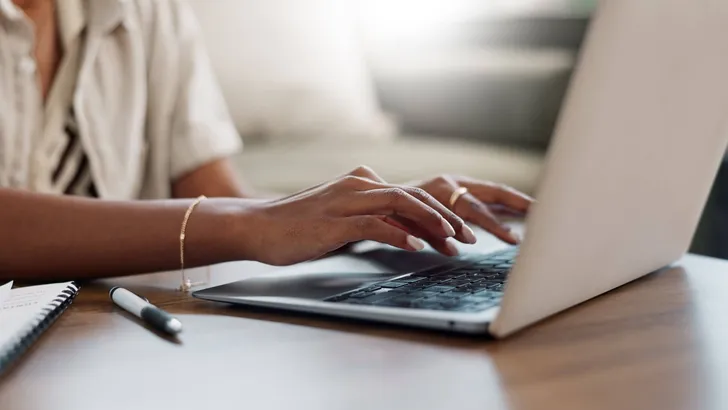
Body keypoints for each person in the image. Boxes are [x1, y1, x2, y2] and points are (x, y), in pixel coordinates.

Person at [0, 0, 532, 282]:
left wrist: (362, 215)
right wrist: (249, 226)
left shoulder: (148, 10)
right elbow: (235, 221)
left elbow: (213, 189)